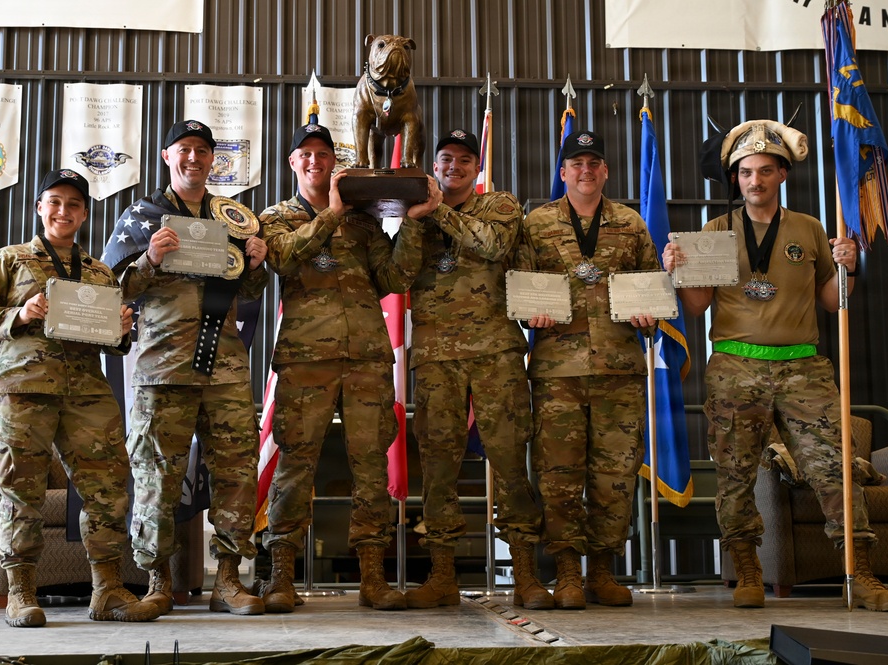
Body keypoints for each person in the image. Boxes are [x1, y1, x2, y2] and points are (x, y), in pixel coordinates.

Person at [662, 119, 888, 612]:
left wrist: (848, 268)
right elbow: (699, 307)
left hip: (803, 368)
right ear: (735, 178)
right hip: (735, 366)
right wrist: (679, 270)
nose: (755, 181)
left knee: (834, 469)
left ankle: (861, 570)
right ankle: (747, 568)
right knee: (734, 473)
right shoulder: (714, 231)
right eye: (746, 173)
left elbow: (835, 303)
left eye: (765, 171)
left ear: (782, 174)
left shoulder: (809, 228)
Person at [0, 169, 159, 627]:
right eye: (54, 202)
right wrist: (18, 313)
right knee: (20, 491)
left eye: (73, 204)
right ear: (39, 207)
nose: (63, 211)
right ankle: (22, 593)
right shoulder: (9, 260)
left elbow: (110, 338)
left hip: (87, 393)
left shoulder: (99, 272)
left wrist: (121, 332)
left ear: (84, 213)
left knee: (108, 491)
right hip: (22, 390)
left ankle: (107, 590)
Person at [257, 122, 437, 612]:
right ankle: (280, 576)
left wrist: (415, 222)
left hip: (365, 357)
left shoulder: (363, 222)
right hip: (304, 359)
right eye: (306, 154)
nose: (315, 161)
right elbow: (285, 259)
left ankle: (373, 577)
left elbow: (394, 277)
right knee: (295, 466)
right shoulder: (274, 218)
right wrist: (331, 214)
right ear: (293, 163)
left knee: (370, 467)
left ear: (335, 164)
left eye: (323, 154)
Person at [101, 119, 269, 616]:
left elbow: (251, 292)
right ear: (166, 155)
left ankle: (229, 582)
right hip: (164, 367)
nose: (194, 158)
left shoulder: (234, 217)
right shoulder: (142, 215)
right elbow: (111, 290)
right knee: (156, 474)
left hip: (227, 369)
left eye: (203, 150)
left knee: (236, 471)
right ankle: (157, 582)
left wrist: (257, 264)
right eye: (185, 149)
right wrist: (149, 259)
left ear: (212, 160)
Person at [399, 129, 553, 611]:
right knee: (439, 466)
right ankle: (441, 574)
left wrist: (436, 210)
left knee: (509, 460)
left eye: (465, 160)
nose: (455, 166)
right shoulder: (414, 214)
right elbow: (400, 273)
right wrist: (411, 222)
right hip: (436, 357)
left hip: (495, 355)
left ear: (475, 166)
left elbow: (493, 246)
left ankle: (526, 572)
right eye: (446, 158)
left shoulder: (500, 205)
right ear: (435, 165)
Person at [515, 130, 659, 609]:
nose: (585, 171)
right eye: (576, 163)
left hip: (619, 370)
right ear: (563, 173)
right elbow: (518, 288)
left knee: (614, 476)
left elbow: (651, 285)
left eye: (594, 163)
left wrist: (650, 312)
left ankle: (601, 570)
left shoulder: (632, 224)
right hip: (558, 372)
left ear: (605, 172)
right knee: (558, 476)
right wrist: (526, 313)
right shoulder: (536, 225)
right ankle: (566, 573)